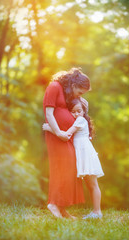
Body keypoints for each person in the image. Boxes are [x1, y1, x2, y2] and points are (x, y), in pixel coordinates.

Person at [43, 98, 104, 219]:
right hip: (81, 154)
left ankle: (97, 212)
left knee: (92, 184)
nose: (76, 114)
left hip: (85, 155)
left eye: (79, 111)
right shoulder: (79, 119)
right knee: (89, 184)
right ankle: (96, 212)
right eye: (73, 111)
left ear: (83, 111)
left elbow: (66, 135)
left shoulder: (80, 120)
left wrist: (49, 128)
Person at [43, 67, 90, 218]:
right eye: (80, 92)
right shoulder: (54, 87)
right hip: (57, 135)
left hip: (66, 136)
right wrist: (58, 132)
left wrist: (81, 101)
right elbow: (49, 113)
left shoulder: (66, 92)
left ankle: (62, 208)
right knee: (61, 168)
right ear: (74, 84)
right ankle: (53, 204)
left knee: (70, 167)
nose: (79, 95)